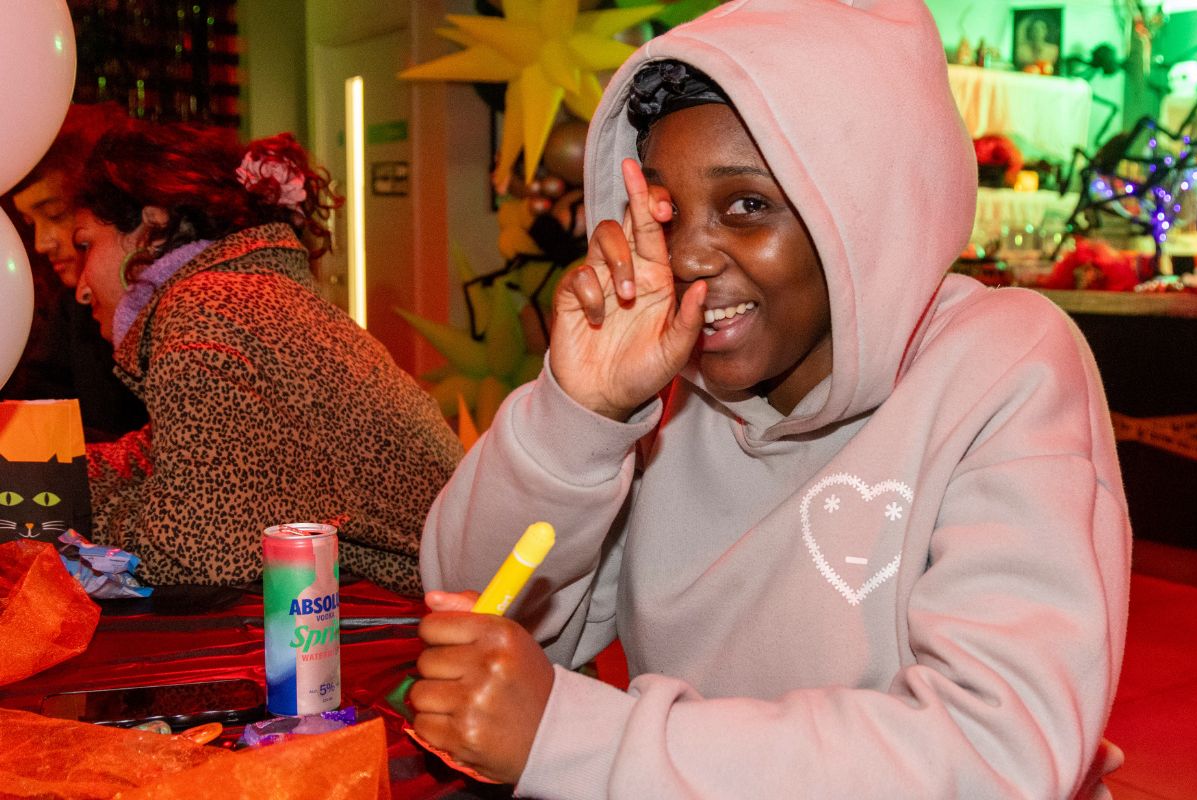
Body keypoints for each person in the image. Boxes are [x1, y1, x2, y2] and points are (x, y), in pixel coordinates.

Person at [413, 0, 1132, 797]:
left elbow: (996, 752)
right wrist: (578, 413)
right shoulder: (664, 394)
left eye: (747, 205)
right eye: (662, 210)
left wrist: (581, 739)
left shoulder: (1003, 364)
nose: (686, 255)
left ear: (860, 213)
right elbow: (475, 617)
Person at [74, 121, 463, 593]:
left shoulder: (204, 312)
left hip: (418, 616)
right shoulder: (244, 296)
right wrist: (51, 480)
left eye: (85, 245)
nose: (79, 287)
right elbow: (166, 457)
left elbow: (195, 556)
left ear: (153, 227)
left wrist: (70, 522)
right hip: (440, 598)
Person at [4, 103, 148, 441]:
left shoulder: (181, 313)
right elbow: (37, 404)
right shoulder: (65, 309)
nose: (41, 244)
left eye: (53, 214)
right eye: (29, 224)